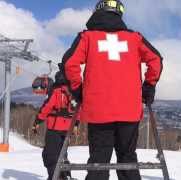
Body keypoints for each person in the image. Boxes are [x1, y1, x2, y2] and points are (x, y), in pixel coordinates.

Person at [61, 0, 163, 180]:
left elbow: (69, 63)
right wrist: (149, 86)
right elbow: (156, 60)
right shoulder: (134, 38)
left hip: (98, 110)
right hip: (129, 110)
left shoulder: (88, 37)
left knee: (99, 159)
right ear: (119, 14)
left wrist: (78, 89)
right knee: (128, 157)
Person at [32, 70, 79, 180]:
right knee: (62, 153)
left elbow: (47, 107)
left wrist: (37, 121)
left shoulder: (56, 91)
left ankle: (55, 176)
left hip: (55, 128)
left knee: (50, 155)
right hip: (68, 129)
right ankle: (66, 175)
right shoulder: (74, 92)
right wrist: (76, 124)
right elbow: (78, 109)